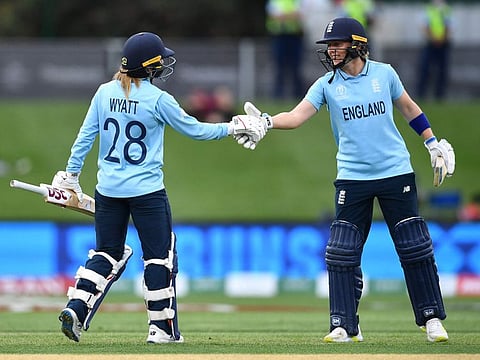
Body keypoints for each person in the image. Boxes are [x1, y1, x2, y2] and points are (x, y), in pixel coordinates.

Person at [236, 17, 455, 343]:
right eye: (329, 46)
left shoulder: (384, 73)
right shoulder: (326, 84)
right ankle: (344, 325)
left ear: (357, 45)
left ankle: (432, 318)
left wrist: (432, 142)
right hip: (353, 177)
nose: (332, 51)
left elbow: (409, 108)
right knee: (342, 251)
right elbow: (296, 117)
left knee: (413, 246)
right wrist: (266, 122)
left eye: (337, 45)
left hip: (396, 171)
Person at [53, 32, 265, 344]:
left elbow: (85, 137)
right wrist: (235, 125)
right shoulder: (157, 99)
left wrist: (71, 176)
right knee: (158, 257)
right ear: (149, 67)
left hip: (108, 190)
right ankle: (161, 329)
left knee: (107, 253)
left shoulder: (103, 92)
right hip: (146, 192)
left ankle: (77, 307)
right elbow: (196, 131)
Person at [266, 0, 305, 99]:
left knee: (296, 67)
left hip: (294, 37)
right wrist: (291, 16)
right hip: (280, 37)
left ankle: (298, 95)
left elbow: (300, 15)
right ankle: (278, 95)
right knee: (280, 67)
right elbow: (275, 16)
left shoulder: (295, 2)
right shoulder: (275, 2)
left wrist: (284, 16)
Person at [416, 0, 452, 101]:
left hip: (443, 44)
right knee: (425, 69)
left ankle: (440, 95)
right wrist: (434, 39)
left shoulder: (446, 10)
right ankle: (422, 94)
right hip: (430, 44)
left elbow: (449, 27)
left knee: (442, 71)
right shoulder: (429, 9)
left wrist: (441, 39)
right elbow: (425, 26)